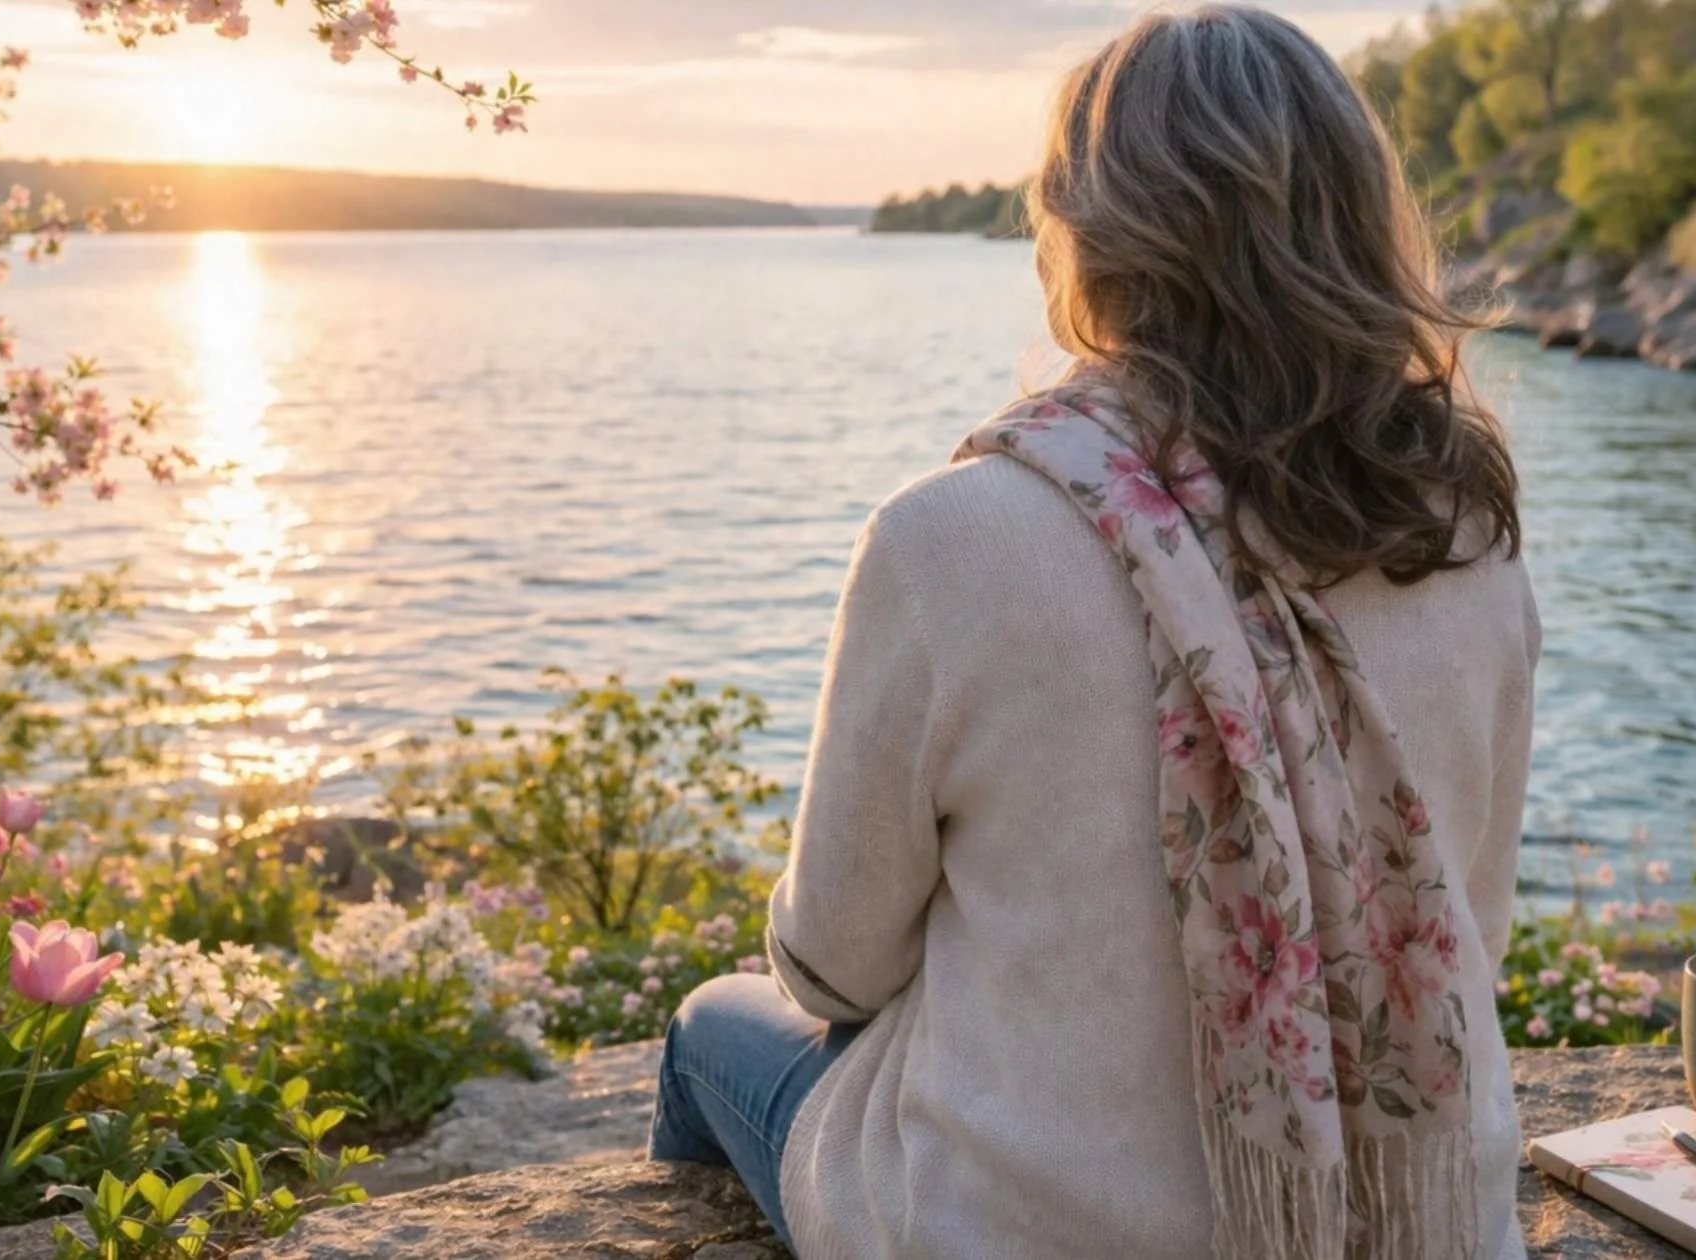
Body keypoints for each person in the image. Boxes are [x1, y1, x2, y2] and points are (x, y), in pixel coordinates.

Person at [648, 6, 1538, 1257]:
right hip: (1406, 1219)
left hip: (1027, 1231)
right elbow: (1465, 935)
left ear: (1085, 234)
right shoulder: (1459, 526)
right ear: (1355, 220)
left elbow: (831, 970)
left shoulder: (951, 539)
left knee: (705, 1029)